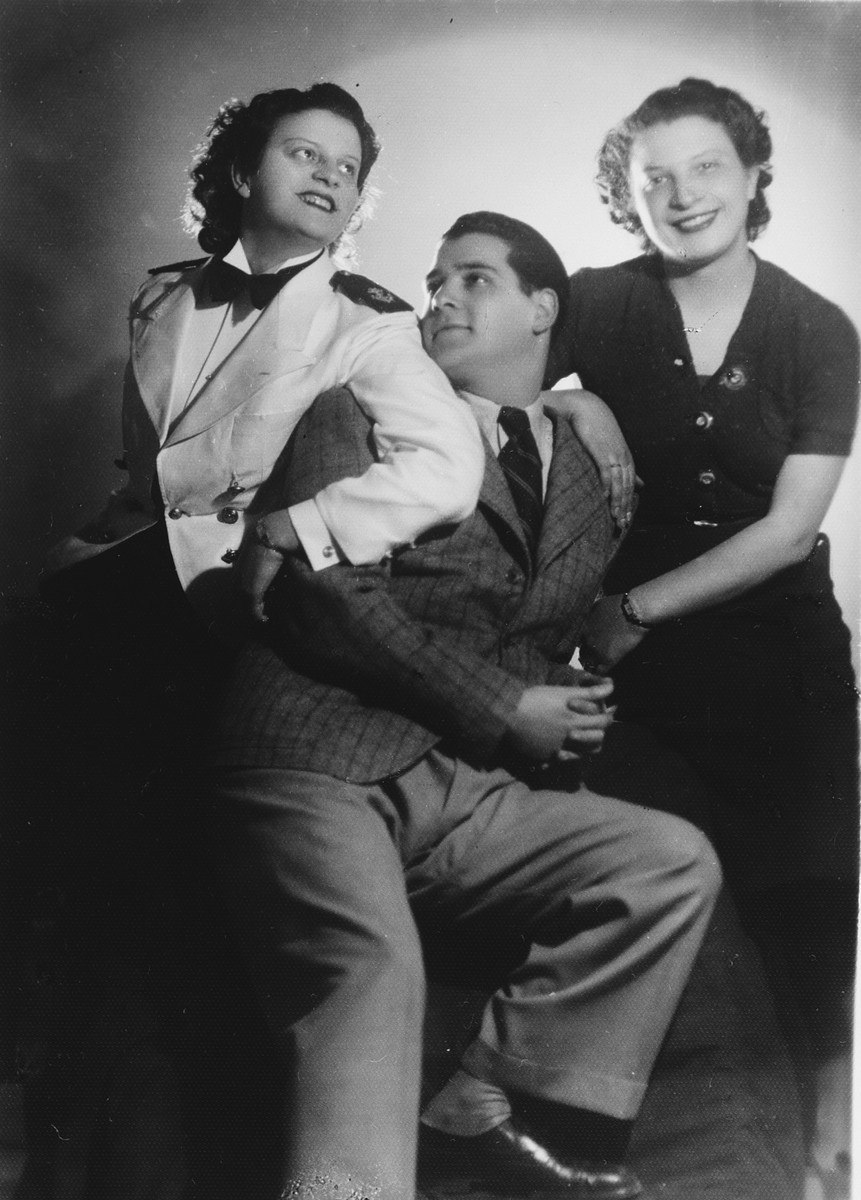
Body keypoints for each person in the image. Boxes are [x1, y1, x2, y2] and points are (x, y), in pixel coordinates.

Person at [210, 211, 723, 1200]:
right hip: (313, 758)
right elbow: (320, 595)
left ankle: (480, 1100)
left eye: (475, 280)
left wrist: (560, 695)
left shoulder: (590, 467)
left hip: (459, 788)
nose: (440, 296)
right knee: (372, 971)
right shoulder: (361, 408)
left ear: (544, 309)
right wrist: (507, 704)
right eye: (436, 279)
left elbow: (525, 631)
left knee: (670, 863)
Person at [546, 78, 859, 1190]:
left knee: (812, 904)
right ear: (627, 199)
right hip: (650, 688)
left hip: (782, 663)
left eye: (706, 169)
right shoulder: (591, 303)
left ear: (755, 174)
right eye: (654, 180)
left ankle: (828, 1147)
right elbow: (456, 360)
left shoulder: (820, 329)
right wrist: (566, 400)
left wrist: (629, 610)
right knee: (677, 913)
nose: (682, 197)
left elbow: (786, 534)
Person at [41, 81, 483, 636]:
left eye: (348, 170)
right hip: (102, 561)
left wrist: (293, 529)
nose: (330, 176)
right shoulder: (159, 295)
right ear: (243, 174)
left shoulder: (368, 323)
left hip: (220, 598)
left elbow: (448, 468)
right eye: (305, 154)